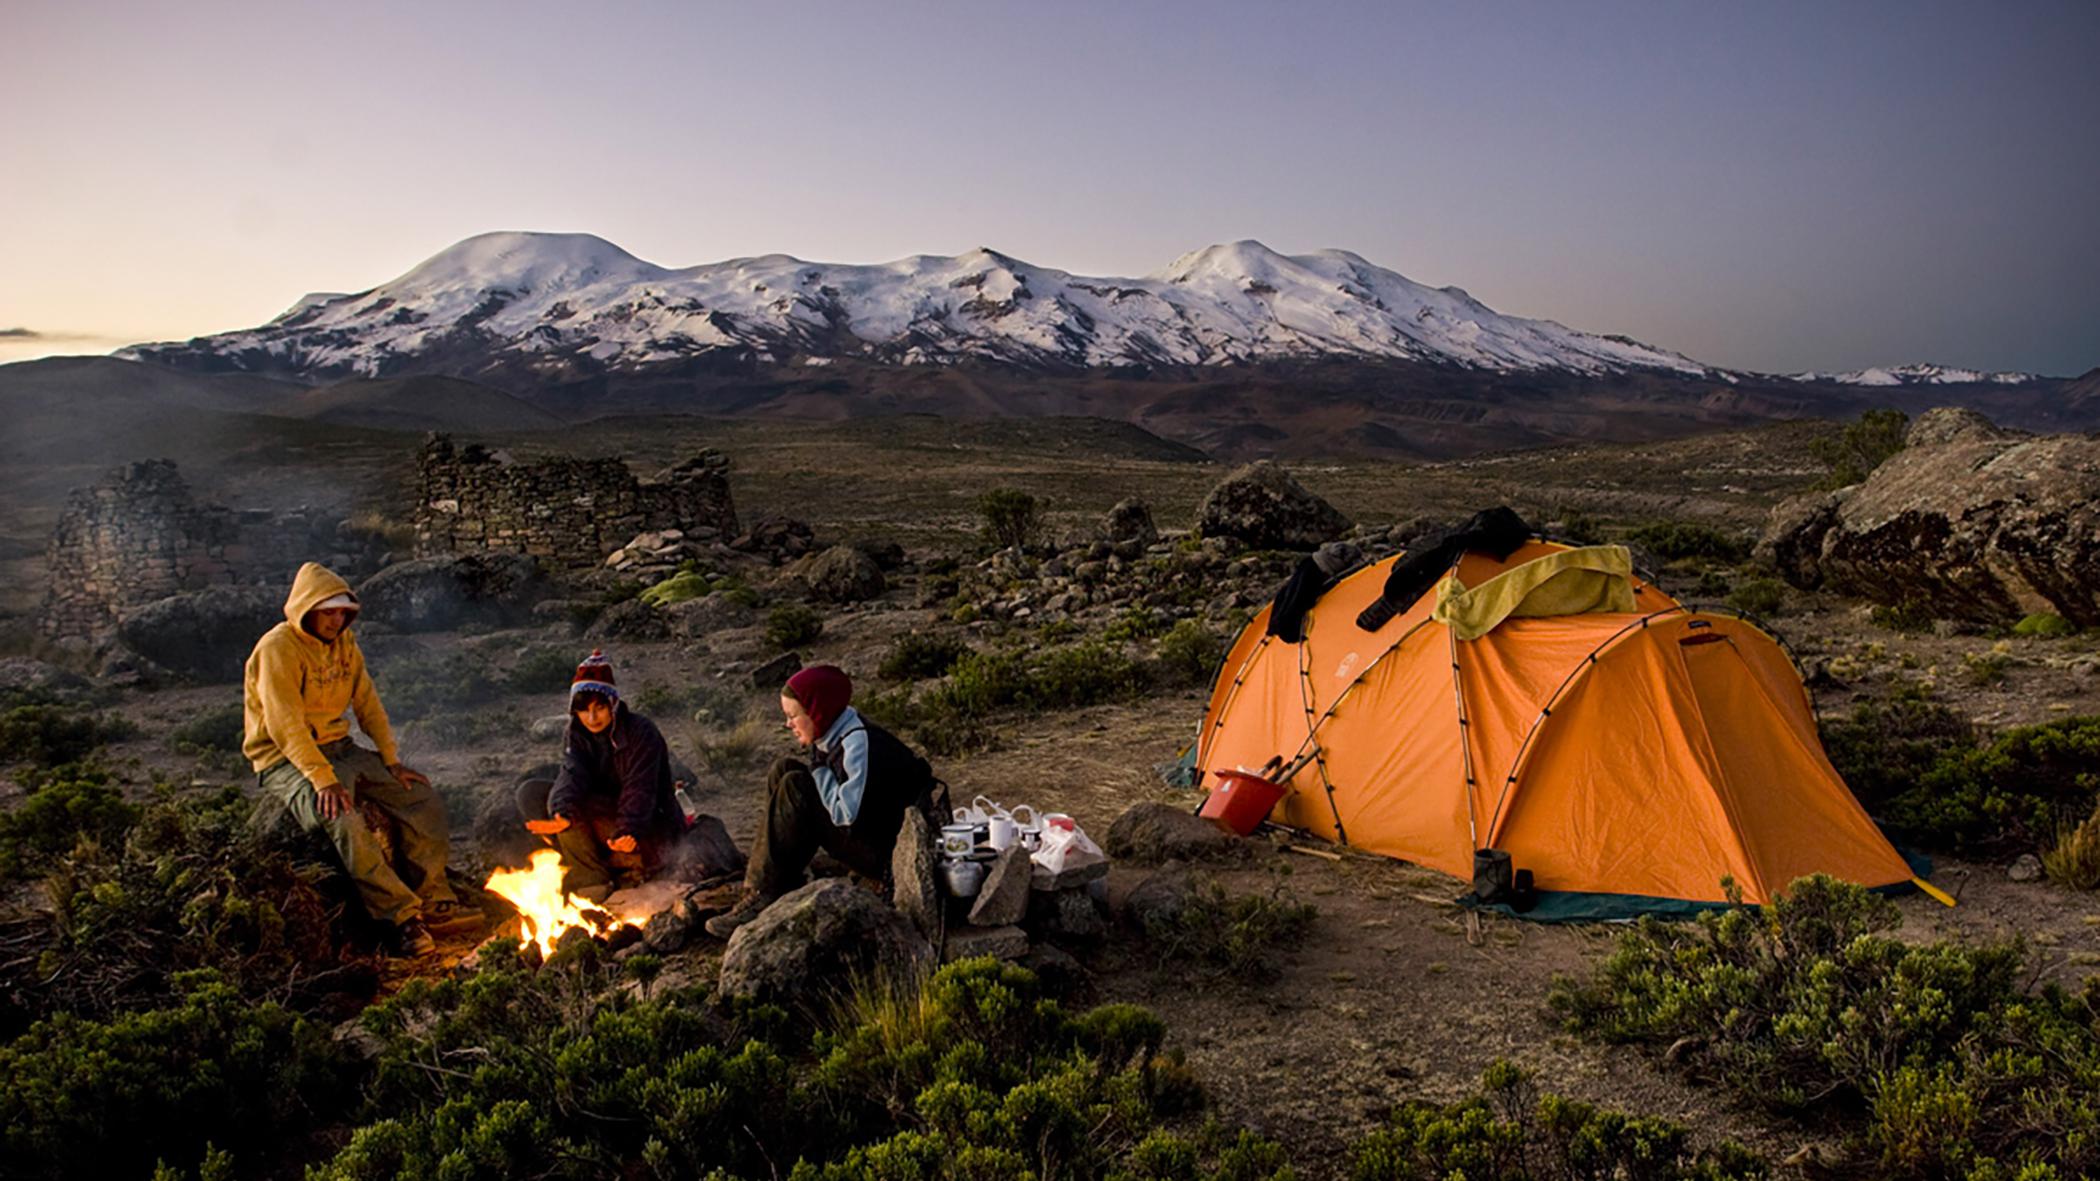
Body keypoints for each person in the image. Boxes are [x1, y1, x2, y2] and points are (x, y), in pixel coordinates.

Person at [244, 562, 478, 956]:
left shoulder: (345, 645)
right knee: (344, 819)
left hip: (340, 747)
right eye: (328, 611)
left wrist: (390, 760)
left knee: (420, 798)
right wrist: (322, 780)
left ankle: (434, 900)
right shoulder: (277, 648)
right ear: (306, 608)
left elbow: (367, 704)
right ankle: (402, 919)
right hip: (283, 759)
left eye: (342, 612)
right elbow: (284, 725)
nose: (337, 620)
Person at [705, 664, 935, 938]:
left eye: (793, 716)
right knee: (783, 768)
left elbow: (846, 816)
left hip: (886, 855)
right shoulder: (834, 731)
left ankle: (764, 892)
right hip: (866, 833)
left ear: (817, 712)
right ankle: (780, 879)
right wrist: (819, 767)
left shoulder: (857, 743)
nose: (788, 724)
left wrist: (819, 770)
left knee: (796, 787)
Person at [515, 650, 686, 901]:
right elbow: (572, 773)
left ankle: (631, 868)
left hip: (645, 822)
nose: (592, 718)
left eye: (599, 708)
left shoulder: (641, 732)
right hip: (601, 810)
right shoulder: (576, 732)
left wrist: (629, 829)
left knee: (586, 808)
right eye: (584, 711)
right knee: (533, 794)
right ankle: (590, 876)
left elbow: (640, 789)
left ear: (613, 704)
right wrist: (562, 812)